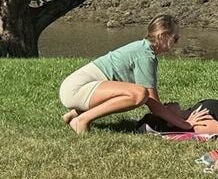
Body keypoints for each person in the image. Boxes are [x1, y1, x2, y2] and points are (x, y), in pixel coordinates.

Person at [59, 15, 191, 135]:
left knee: (134, 93)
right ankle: (82, 120)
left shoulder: (143, 48)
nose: (177, 43)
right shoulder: (145, 56)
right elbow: (153, 104)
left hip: (75, 88)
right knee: (139, 95)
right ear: (162, 36)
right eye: (175, 38)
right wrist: (186, 125)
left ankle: (74, 114)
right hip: (76, 90)